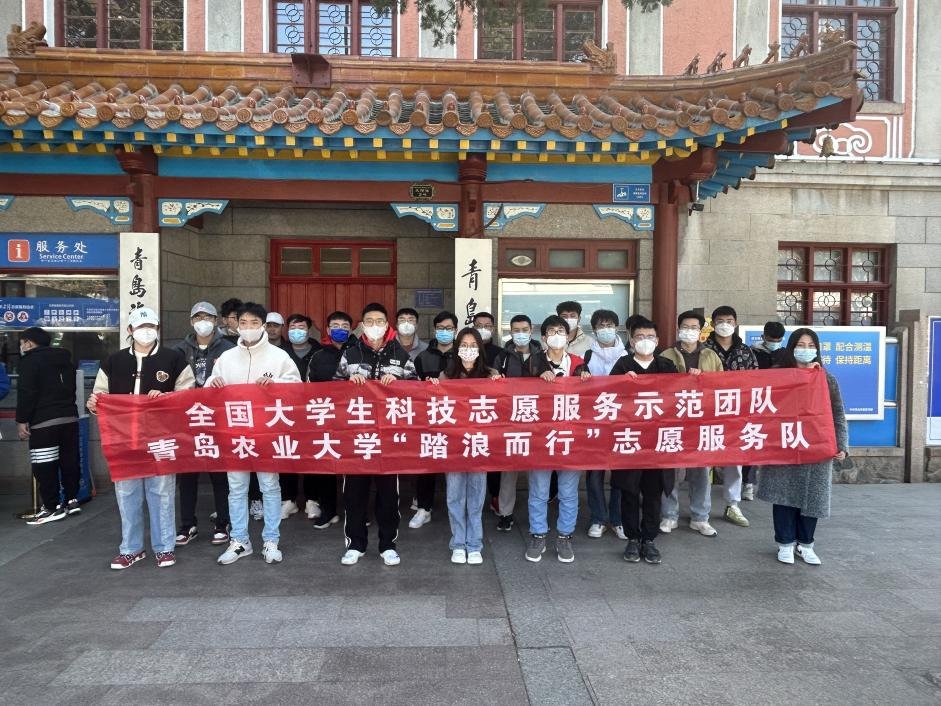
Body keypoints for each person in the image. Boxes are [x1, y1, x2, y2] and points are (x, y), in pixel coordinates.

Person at [87, 307, 195, 569]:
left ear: (158, 329)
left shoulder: (174, 359)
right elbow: (100, 395)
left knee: (162, 494)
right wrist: (94, 404)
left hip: (160, 438)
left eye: (151, 327)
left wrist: (167, 398)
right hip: (124, 439)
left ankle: (164, 547)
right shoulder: (114, 361)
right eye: (140, 327)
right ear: (130, 330)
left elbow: (188, 393)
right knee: (127, 495)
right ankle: (131, 549)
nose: (146, 331)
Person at [207, 302, 302, 566]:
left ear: (263, 325)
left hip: (267, 433)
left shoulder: (279, 356)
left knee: (269, 486)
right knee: (236, 488)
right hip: (235, 433)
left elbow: (297, 387)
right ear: (236, 325)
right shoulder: (226, 357)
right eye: (243, 323)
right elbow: (209, 387)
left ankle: (271, 540)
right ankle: (240, 540)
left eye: (254, 323)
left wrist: (276, 384)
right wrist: (213, 383)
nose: (248, 327)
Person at [335, 302, 418, 566]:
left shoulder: (400, 354)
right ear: (362, 325)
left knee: (388, 496)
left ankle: (388, 544)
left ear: (387, 325)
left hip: (388, 438)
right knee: (354, 494)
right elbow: (333, 392)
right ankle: (355, 544)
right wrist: (348, 384)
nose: (374, 326)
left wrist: (399, 384)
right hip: (357, 437)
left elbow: (417, 392)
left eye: (379, 321)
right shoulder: (351, 354)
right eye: (369, 321)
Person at [756, 327, 848, 565]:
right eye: (801, 345)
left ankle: (806, 544)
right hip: (785, 444)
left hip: (816, 447)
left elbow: (837, 413)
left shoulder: (826, 378)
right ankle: (785, 543)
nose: (806, 350)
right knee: (784, 496)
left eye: (811, 346)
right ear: (791, 348)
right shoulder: (777, 375)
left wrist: (841, 444)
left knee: (812, 498)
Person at [609, 318, 677, 565]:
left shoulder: (666, 366)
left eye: (650, 337)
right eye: (640, 337)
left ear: (657, 341)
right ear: (631, 340)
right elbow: (609, 400)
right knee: (629, 491)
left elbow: (680, 397)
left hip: (657, 442)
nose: (645, 341)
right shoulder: (622, 365)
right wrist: (621, 384)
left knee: (653, 493)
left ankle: (649, 539)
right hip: (630, 441)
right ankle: (632, 537)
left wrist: (694, 377)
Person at [524, 315, 591, 564]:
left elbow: (589, 399)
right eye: (551, 331)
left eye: (560, 331)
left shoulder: (579, 363)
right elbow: (518, 395)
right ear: (543, 337)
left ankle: (564, 535)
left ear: (568, 335)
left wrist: (586, 381)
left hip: (570, 438)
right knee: (539, 490)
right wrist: (537, 380)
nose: (556, 335)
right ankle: (538, 534)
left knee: (568, 492)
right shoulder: (533, 362)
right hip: (540, 438)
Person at [429, 328, 496, 564]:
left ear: (480, 348)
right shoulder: (447, 375)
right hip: (455, 446)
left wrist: (500, 384)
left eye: (473, 345)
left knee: (476, 497)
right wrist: (432, 385)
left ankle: (474, 544)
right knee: (455, 496)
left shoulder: (490, 374)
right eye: (464, 345)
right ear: (457, 348)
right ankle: (458, 543)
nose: (468, 349)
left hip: (479, 445)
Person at [173, 302, 234, 547]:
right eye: (198, 317)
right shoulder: (178, 351)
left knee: (220, 474)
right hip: (187, 420)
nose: (203, 321)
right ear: (191, 321)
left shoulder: (229, 349)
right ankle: (187, 524)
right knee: (187, 474)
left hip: (218, 419)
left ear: (216, 320)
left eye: (207, 317)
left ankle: (223, 522)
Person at [659, 310, 723, 537]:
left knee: (701, 472)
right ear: (678, 329)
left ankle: (700, 517)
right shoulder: (666, 354)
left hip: (701, 422)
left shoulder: (711, 356)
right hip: (672, 422)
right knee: (670, 471)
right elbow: (658, 387)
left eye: (694, 328)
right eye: (685, 327)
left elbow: (722, 386)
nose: (689, 331)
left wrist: (702, 379)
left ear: (701, 331)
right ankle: (669, 515)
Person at [16, 327, 82, 525]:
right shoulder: (65, 360)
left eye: (22, 342)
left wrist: (22, 420)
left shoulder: (29, 361)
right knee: (69, 460)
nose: (21, 346)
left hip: (44, 421)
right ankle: (71, 500)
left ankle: (51, 507)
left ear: (29, 343)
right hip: (69, 418)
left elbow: (27, 393)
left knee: (44, 464)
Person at [703, 305, 757, 528]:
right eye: (720, 321)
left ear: (735, 323)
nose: (725, 325)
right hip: (706, 414)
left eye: (729, 321)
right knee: (704, 461)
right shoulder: (703, 350)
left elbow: (755, 381)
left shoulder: (746, 351)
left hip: (736, 414)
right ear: (713, 324)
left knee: (735, 461)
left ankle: (732, 504)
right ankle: (701, 509)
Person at [491, 314, 544, 532]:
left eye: (524, 329)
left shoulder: (542, 355)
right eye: (516, 330)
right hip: (510, 420)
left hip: (537, 421)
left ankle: (537, 516)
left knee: (537, 471)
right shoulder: (503, 356)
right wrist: (494, 378)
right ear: (510, 332)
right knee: (508, 470)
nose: (520, 333)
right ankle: (505, 513)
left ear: (531, 330)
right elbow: (492, 381)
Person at [409, 311, 460, 529]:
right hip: (429, 419)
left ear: (456, 330)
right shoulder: (423, 357)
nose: (445, 332)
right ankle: (424, 508)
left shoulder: (464, 355)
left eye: (449, 328)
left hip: (458, 420)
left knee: (457, 467)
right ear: (434, 330)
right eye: (441, 328)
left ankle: (457, 509)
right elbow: (413, 387)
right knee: (427, 465)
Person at [304, 310, 354, 529]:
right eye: (335, 326)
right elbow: (308, 387)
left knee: (354, 468)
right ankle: (329, 511)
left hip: (354, 418)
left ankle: (356, 512)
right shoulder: (318, 356)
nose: (340, 329)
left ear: (351, 330)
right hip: (325, 417)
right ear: (327, 329)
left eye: (345, 326)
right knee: (326, 465)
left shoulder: (359, 352)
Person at [583, 309, 626, 540]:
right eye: (601, 325)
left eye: (610, 325)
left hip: (622, 422)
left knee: (620, 473)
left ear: (617, 328)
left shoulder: (627, 354)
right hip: (594, 421)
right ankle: (598, 518)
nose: (606, 329)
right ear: (594, 329)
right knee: (594, 472)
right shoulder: (588, 355)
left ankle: (618, 519)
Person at [279, 313, 323, 519]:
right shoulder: (279, 353)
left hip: (313, 411)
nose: (297, 331)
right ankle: (288, 500)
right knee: (287, 453)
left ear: (309, 330)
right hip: (285, 412)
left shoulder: (319, 352)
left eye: (301, 327)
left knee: (312, 454)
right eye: (293, 327)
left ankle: (312, 500)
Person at [744, 320, 787, 501]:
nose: (774, 343)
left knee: (777, 444)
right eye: (771, 339)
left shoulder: (786, 355)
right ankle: (748, 483)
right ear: (763, 337)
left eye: (778, 340)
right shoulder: (751, 352)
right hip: (755, 404)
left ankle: (777, 483)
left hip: (779, 406)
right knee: (752, 442)